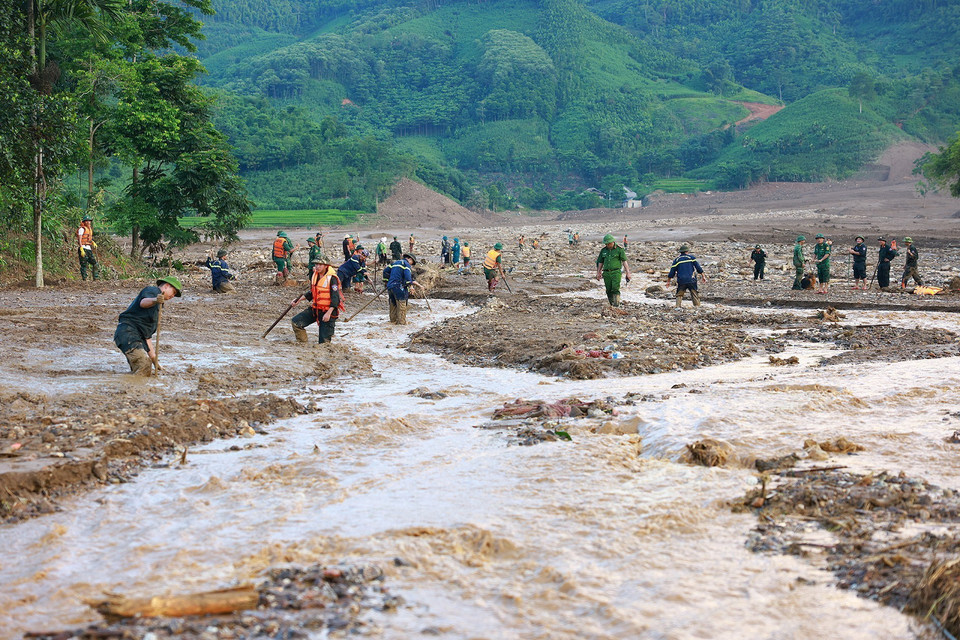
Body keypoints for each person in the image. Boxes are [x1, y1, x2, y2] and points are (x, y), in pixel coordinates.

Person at [113, 276, 182, 375]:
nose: (173, 296)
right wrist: (155, 300)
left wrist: (155, 361)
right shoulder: (153, 291)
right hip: (127, 332)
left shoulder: (157, 307)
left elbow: (147, 337)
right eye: (174, 292)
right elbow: (143, 302)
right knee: (144, 365)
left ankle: (132, 388)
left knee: (140, 371)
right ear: (166, 286)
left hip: (132, 337)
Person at [291, 263, 344, 344]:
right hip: (316, 309)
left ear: (326, 266)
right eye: (316, 264)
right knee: (296, 322)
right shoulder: (315, 276)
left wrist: (328, 313)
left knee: (324, 343)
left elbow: (336, 298)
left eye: (320, 265)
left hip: (328, 312)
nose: (317, 267)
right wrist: (299, 300)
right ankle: (303, 346)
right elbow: (313, 292)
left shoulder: (332, 278)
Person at [595, 233, 631, 307]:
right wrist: (598, 272)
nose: (608, 245)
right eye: (606, 244)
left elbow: (624, 261)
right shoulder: (603, 250)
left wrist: (628, 273)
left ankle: (616, 305)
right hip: (606, 273)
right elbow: (600, 262)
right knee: (608, 290)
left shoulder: (619, 250)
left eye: (609, 243)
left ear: (613, 242)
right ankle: (611, 304)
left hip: (616, 272)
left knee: (615, 288)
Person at [383, 253, 418, 325]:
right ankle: (401, 323)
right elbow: (408, 276)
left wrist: (386, 282)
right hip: (400, 286)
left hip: (391, 287)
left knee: (393, 305)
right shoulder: (406, 264)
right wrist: (410, 286)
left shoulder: (394, 263)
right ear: (410, 259)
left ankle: (392, 321)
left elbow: (385, 271)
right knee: (402, 305)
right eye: (412, 263)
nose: (411, 265)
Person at [77, 215, 101, 281]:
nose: (88, 222)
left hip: (88, 248)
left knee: (95, 263)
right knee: (84, 264)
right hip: (83, 248)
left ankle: (96, 278)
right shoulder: (82, 229)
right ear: (84, 222)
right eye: (87, 221)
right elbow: (80, 239)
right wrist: (81, 248)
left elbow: (88, 239)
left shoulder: (89, 229)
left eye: (89, 221)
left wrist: (92, 242)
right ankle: (85, 279)